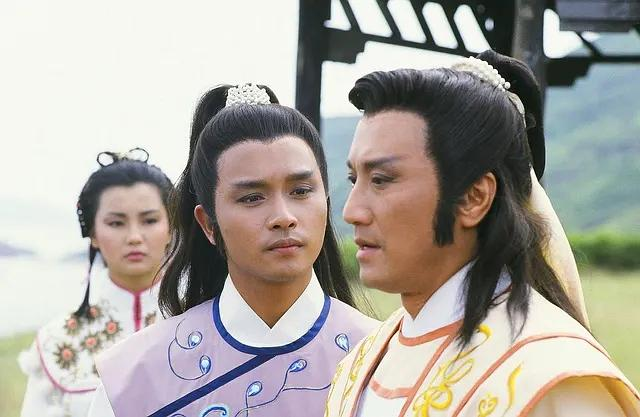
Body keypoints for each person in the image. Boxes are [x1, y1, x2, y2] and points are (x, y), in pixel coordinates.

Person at [325, 51, 639, 416]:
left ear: (474, 198)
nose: (351, 211)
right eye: (354, 179)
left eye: (381, 180)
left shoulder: (547, 377)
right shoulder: (363, 360)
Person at [87, 84, 378, 417]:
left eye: (300, 191)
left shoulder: (382, 361)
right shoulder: (135, 381)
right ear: (208, 224)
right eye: (252, 197)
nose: (283, 216)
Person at [19, 148, 173, 417]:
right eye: (116, 223)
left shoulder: (205, 324)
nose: (134, 236)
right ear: (93, 233)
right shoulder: (57, 342)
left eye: (149, 220)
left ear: (171, 227)